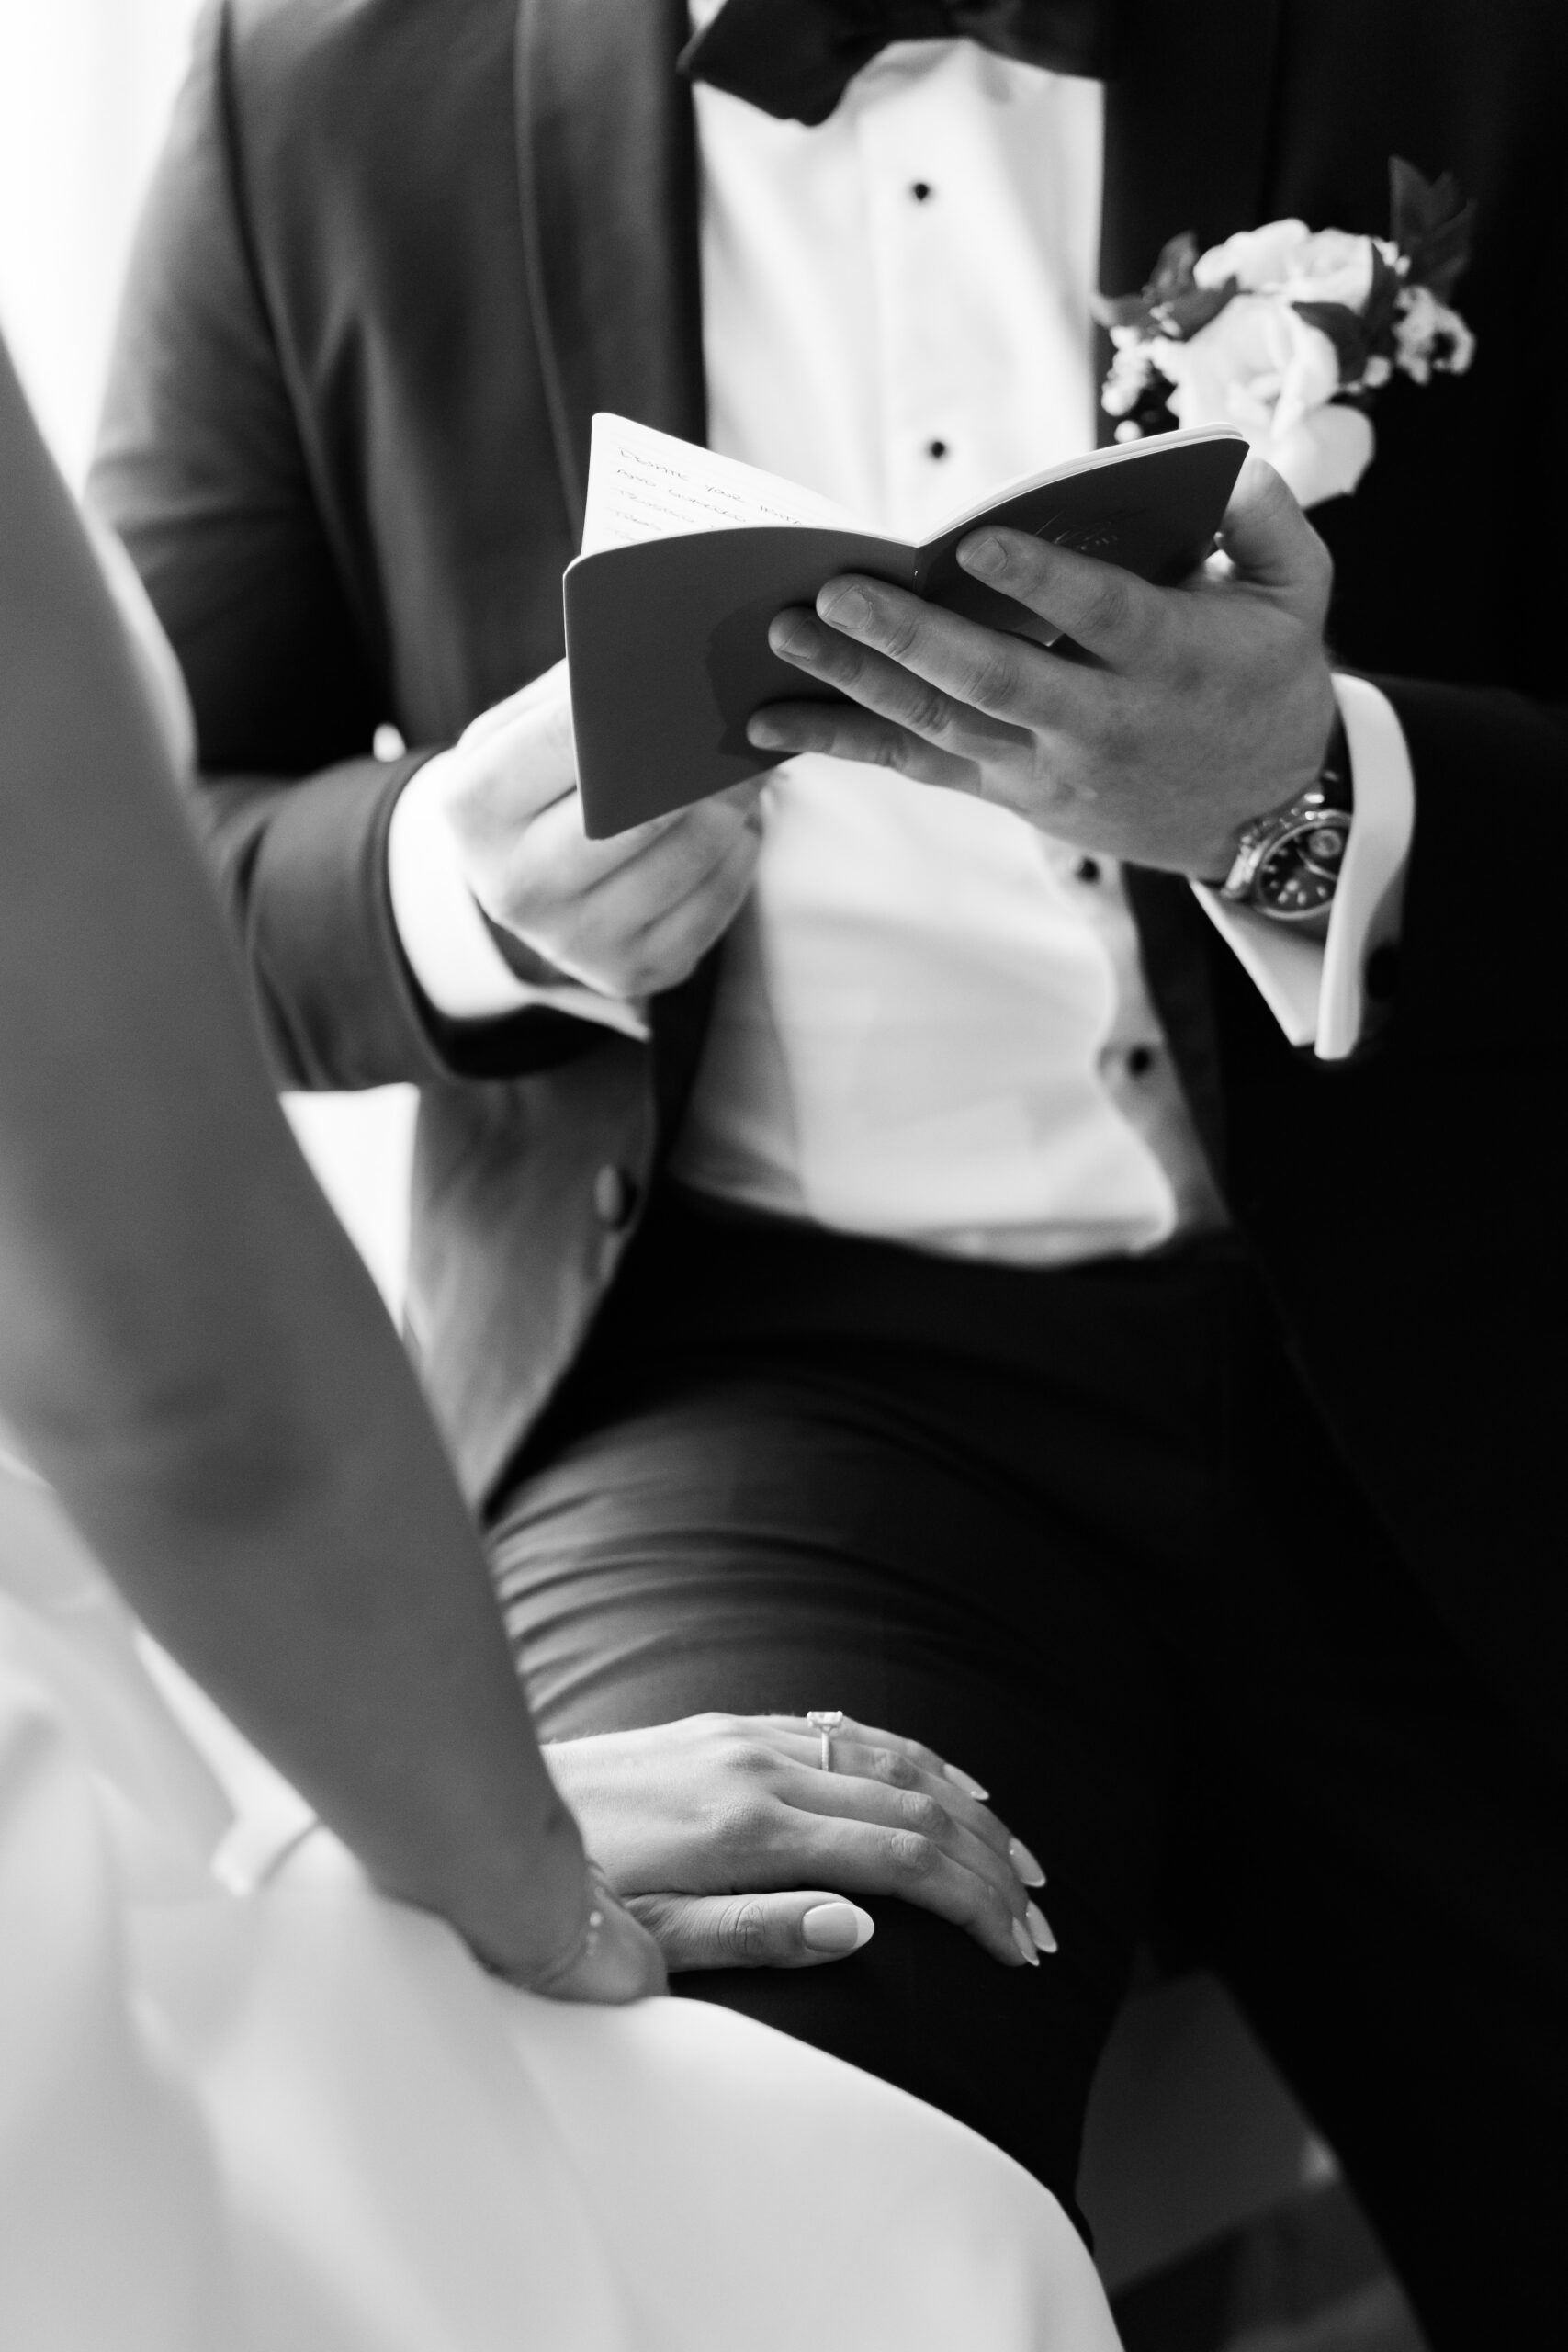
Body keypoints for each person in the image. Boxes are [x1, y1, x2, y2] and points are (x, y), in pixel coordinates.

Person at [91, 0, 1567, 2339]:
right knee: (728, 2131)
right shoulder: (314, 81)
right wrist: (453, 894)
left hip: (1484, 1316)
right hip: (765, 1401)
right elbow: (131, 866)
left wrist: (1318, 797)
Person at [0, 326, 1122, 2350]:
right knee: (821, 2183)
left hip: (1428, 1336)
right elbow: (178, 1376)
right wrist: (512, 1854)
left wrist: (1327, 793)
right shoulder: (293, 134)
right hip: (736, 1393)